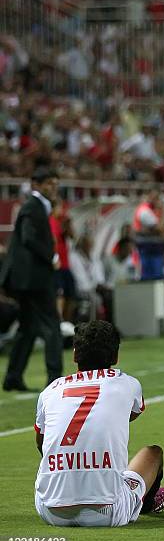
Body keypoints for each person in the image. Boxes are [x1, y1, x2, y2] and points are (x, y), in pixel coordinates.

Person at [34, 320, 164, 527]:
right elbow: (130, 415)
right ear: (116, 357)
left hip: (50, 510)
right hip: (107, 512)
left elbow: (41, 443)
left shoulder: (51, 390)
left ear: (74, 355)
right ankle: (144, 503)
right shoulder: (128, 383)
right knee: (153, 453)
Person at [1, 167, 63, 391]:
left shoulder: (36, 207)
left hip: (25, 279)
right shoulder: (33, 206)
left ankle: (12, 377)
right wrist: (51, 256)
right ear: (35, 185)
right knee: (51, 326)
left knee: (28, 327)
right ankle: (55, 379)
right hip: (34, 278)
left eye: (55, 184)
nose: (53, 188)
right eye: (49, 183)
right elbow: (28, 237)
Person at [132, 190, 164, 280]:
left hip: (155, 247)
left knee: (158, 275)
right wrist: (163, 212)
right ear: (149, 197)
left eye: (157, 198)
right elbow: (160, 228)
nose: (157, 201)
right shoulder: (144, 210)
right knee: (148, 275)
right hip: (146, 248)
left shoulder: (154, 211)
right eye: (154, 198)